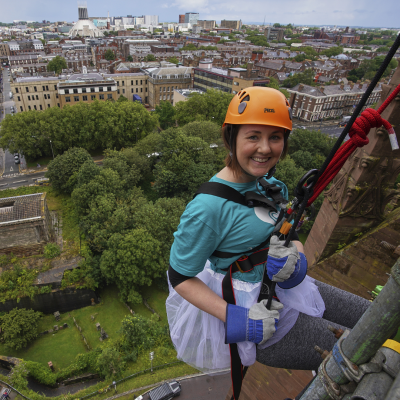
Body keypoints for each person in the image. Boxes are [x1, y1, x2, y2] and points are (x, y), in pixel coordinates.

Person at [166, 87, 370, 390]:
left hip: (291, 291)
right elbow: (180, 276)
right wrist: (237, 319)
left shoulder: (272, 187)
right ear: (230, 137)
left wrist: (296, 261)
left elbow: (292, 233)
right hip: (260, 317)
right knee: (369, 353)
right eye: (253, 136)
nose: (265, 148)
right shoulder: (207, 209)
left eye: (275, 137)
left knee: (374, 316)